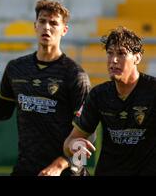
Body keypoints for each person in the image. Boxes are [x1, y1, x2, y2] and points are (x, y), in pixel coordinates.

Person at [0, 0, 91, 176]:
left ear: (64, 30)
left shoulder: (75, 75)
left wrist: (59, 165)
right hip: (26, 168)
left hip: (65, 171)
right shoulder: (16, 68)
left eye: (54, 23)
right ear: (35, 26)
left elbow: (88, 133)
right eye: (42, 21)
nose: (47, 27)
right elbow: (1, 112)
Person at [64, 27, 156, 176]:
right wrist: (73, 146)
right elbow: (72, 140)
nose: (113, 60)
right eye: (110, 53)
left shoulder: (153, 91)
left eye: (121, 54)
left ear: (137, 58)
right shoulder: (98, 95)